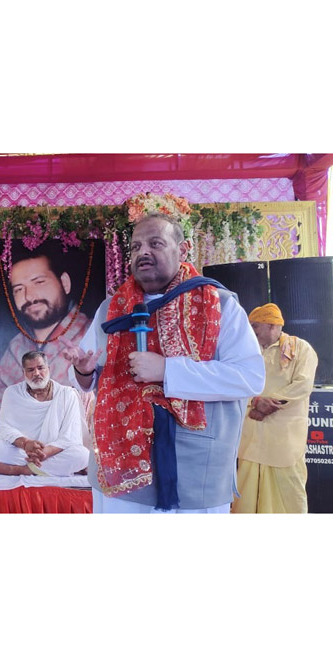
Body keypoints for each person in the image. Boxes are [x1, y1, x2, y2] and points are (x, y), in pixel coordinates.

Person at [68, 212, 265, 513]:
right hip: (121, 463)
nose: (142, 252)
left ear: (183, 250)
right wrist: (82, 373)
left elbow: (250, 377)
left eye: (155, 243)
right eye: (135, 247)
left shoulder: (219, 304)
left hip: (195, 460)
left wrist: (168, 370)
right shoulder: (111, 309)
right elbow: (91, 377)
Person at [232, 303, 318, 513]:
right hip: (251, 436)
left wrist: (266, 405)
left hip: (284, 438)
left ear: (272, 326)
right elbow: (234, 383)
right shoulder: (245, 352)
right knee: (246, 493)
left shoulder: (301, 348)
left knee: (289, 493)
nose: (251, 331)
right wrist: (254, 402)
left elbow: (303, 385)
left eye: (255, 326)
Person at [0, 245, 93, 408]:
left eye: (39, 282)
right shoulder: (16, 347)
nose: (29, 296)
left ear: (64, 283)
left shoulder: (89, 334)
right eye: (18, 289)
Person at [0, 351, 89, 476]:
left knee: (82, 455)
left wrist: (45, 452)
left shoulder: (67, 394)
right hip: (24, 450)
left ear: (48, 369)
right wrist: (26, 443)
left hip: (54, 451)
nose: (36, 373)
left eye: (40, 368)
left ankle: (20, 470)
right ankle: (48, 469)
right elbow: (4, 429)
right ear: (24, 373)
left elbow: (70, 436)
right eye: (30, 370)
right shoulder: (12, 393)